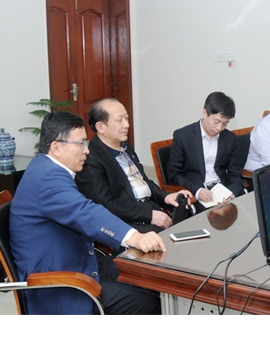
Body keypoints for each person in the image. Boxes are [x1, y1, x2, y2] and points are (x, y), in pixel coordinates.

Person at [10, 111, 167, 315]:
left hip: (81, 261)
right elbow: (84, 211)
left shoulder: (48, 169)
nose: (87, 151)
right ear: (56, 147)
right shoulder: (47, 177)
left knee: (148, 276)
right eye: (81, 144)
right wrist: (134, 237)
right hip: (63, 285)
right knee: (149, 299)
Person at [75, 98, 193, 231]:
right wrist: (149, 216)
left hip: (148, 210)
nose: (126, 125)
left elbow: (145, 182)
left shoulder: (126, 148)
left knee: (188, 213)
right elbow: (106, 206)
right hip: (126, 223)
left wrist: (166, 197)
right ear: (101, 127)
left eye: (127, 118)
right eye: (119, 120)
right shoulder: (90, 158)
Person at [167, 92, 243, 211]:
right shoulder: (183, 136)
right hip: (197, 192)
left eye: (225, 124)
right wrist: (197, 191)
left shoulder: (230, 138)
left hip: (222, 190)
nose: (219, 128)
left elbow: (235, 173)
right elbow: (174, 174)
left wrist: (231, 193)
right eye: (216, 122)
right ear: (204, 113)